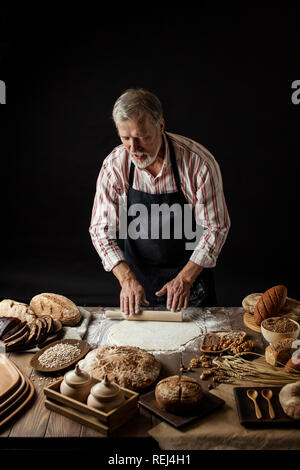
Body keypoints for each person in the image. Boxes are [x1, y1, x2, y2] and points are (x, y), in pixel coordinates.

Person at [89, 88, 230, 316]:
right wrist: (126, 279)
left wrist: (184, 279)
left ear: (161, 126)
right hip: (139, 288)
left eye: (142, 138)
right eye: (125, 138)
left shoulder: (197, 164)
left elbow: (216, 228)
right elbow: (100, 230)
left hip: (192, 286)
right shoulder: (115, 166)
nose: (134, 149)